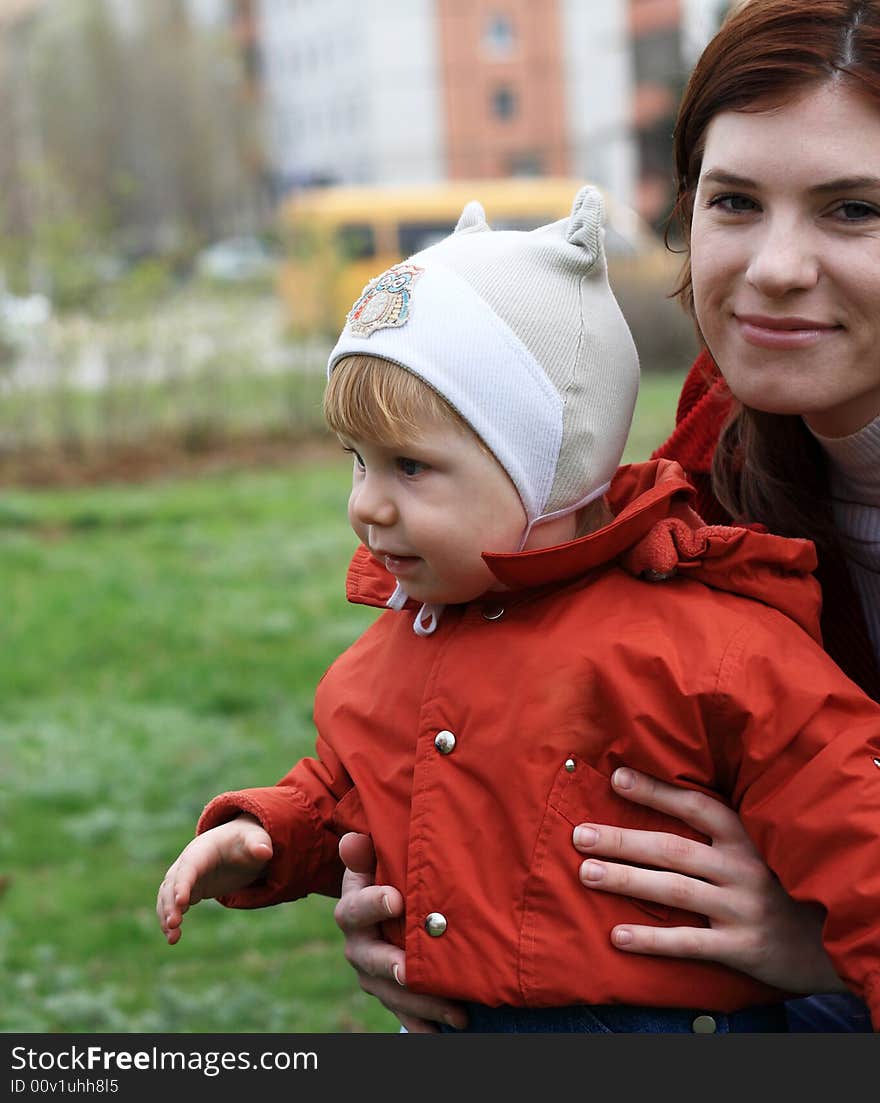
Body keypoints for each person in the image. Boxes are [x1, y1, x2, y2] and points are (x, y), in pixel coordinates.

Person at [157, 183, 880, 1032]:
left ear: (549, 472)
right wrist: (268, 834)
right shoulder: (398, 647)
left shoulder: (702, 642)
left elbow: (849, 821)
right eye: (358, 461)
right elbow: (352, 784)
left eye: (410, 467)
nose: (366, 504)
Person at [332, 0, 880, 1034]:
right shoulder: (700, 464)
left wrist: (810, 942)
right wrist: (434, 904)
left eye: (853, 209)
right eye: (733, 202)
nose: (772, 266)